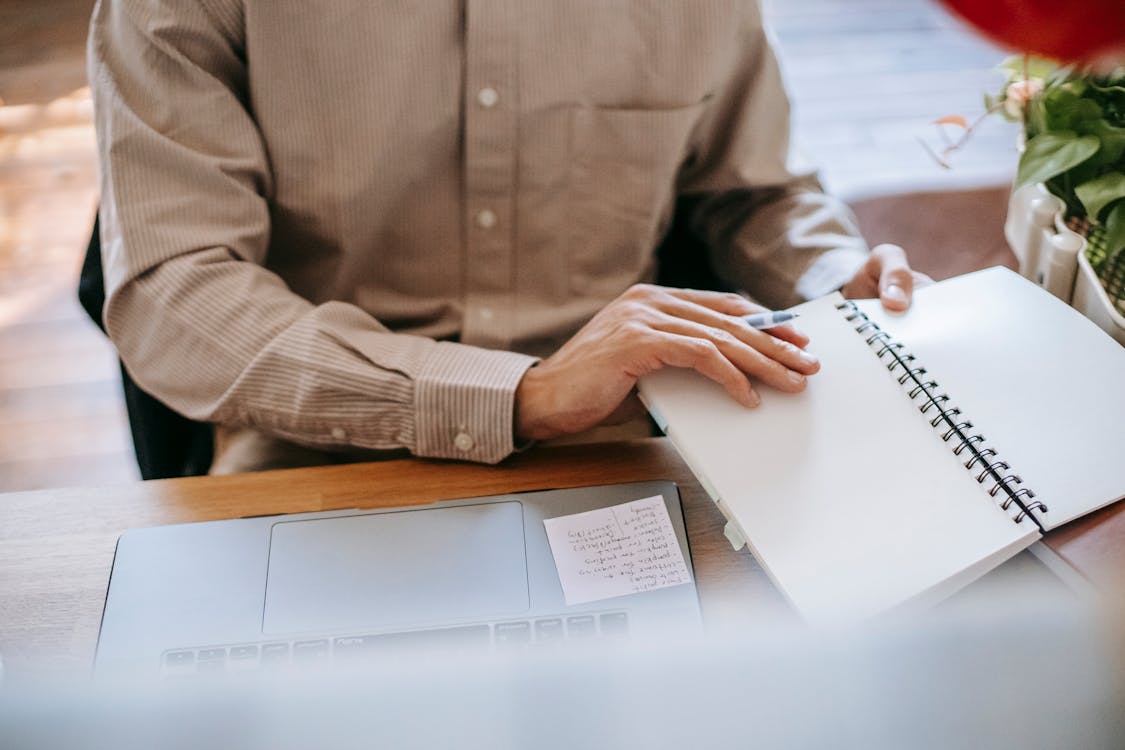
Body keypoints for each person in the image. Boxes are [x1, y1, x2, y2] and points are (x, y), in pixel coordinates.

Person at [88, 0, 927, 473]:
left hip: (639, 436)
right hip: (323, 439)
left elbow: (754, 190)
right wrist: (516, 394)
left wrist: (829, 278)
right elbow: (176, 290)